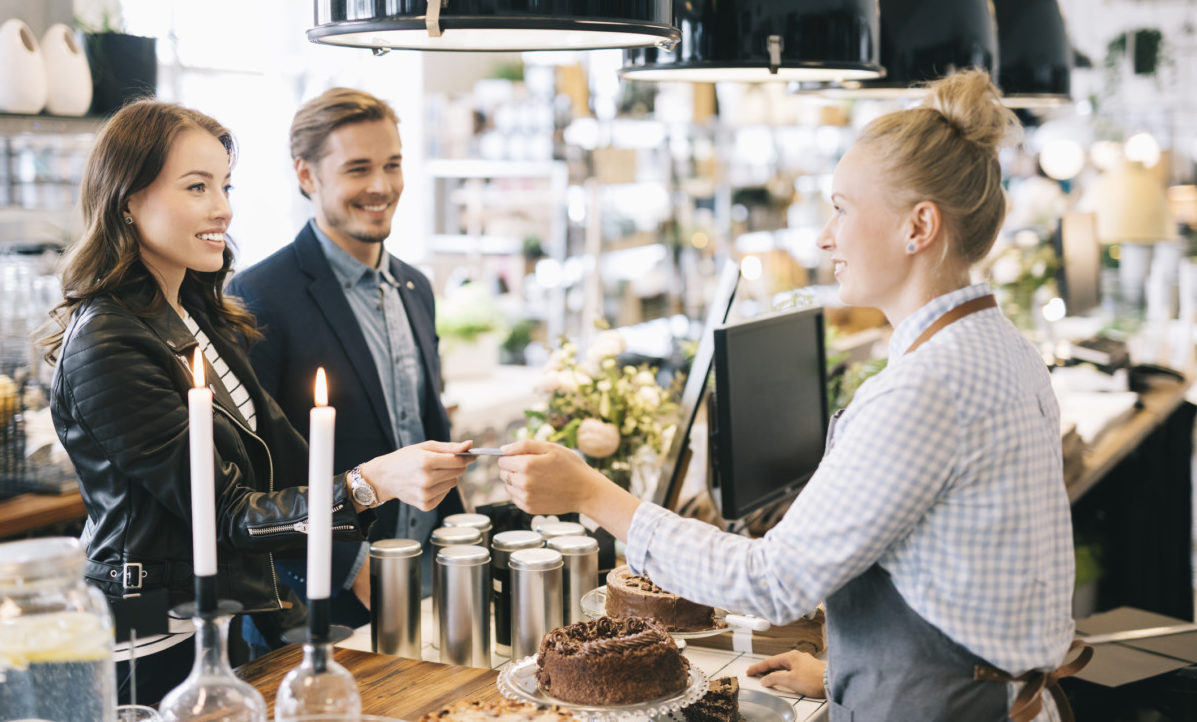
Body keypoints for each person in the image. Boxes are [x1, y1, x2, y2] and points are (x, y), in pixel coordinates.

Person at [497, 70, 1083, 721]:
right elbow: (965, 574)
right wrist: (849, 674)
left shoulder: (922, 389)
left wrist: (590, 494)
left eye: (841, 208)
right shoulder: (1001, 346)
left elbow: (770, 583)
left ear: (918, 226)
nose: (823, 237)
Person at [40, 100, 471, 703]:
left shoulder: (197, 314)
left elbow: (287, 468)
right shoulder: (107, 342)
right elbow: (228, 514)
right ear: (129, 201)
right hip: (150, 641)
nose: (223, 207)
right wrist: (370, 483)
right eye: (197, 187)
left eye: (224, 185)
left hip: (216, 621)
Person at [226, 87, 463, 626]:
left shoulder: (415, 286)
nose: (381, 187)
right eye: (358, 169)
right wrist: (345, 566)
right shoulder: (258, 295)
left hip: (429, 579)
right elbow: (251, 476)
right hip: (323, 599)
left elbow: (423, 425)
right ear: (306, 175)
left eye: (392, 165)